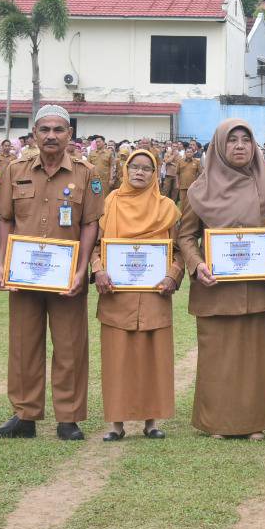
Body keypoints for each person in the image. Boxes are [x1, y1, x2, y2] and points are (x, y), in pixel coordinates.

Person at [0, 106, 103, 440]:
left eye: (58, 130)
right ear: (34, 134)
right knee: (24, 345)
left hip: (67, 278)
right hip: (24, 276)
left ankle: (68, 418)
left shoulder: (86, 173)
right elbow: (5, 219)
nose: (51, 136)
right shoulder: (15, 170)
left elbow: (91, 223)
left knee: (69, 346)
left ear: (70, 135)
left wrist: (81, 269)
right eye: (44, 130)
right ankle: (24, 415)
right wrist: (2, 262)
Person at [177, 119, 265, 439]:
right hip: (216, 289)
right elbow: (185, 236)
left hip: (259, 288)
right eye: (232, 140)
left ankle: (255, 422)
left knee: (257, 357)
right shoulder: (199, 190)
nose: (240, 145)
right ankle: (217, 422)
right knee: (218, 356)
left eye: (246, 139)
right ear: (219, 146)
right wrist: (197, 264)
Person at [94, 148, 182, 440]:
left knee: (153, 359)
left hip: (155, 294)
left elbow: (179, 250)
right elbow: (95, 245)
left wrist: (172, 275)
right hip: (117, 295)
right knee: (117, 360)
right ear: (125, 170)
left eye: (146, 168)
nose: (140, 172)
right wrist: (98, 269)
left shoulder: (167, 208)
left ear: (155, 174)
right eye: (134, 167)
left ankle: (151, 423)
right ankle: (116, 424)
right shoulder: (110, 203)